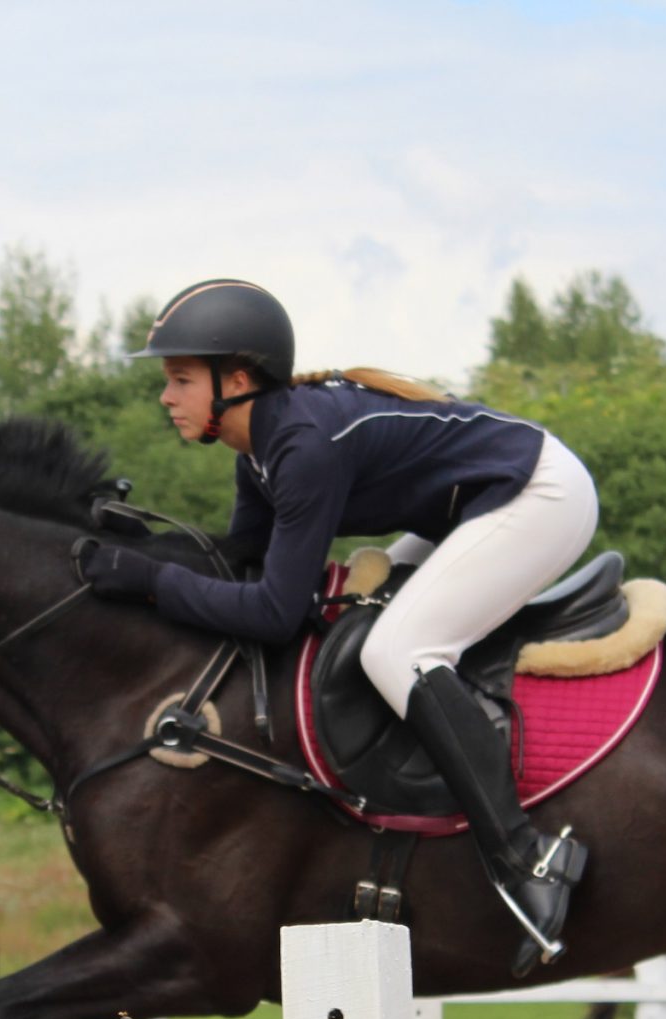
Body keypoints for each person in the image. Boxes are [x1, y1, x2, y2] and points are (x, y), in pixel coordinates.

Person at [88, 278, 597, 974]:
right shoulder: (258, 457)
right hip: (472, 507)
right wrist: (140, 551)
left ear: (236, 380)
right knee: (367, 630)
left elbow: (273, 614)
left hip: (538, 495)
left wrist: (148, 582)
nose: (165, 397)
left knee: (397, 651)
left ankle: (527, 856)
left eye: (179, 379)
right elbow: (240, 567)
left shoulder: (302, 448)